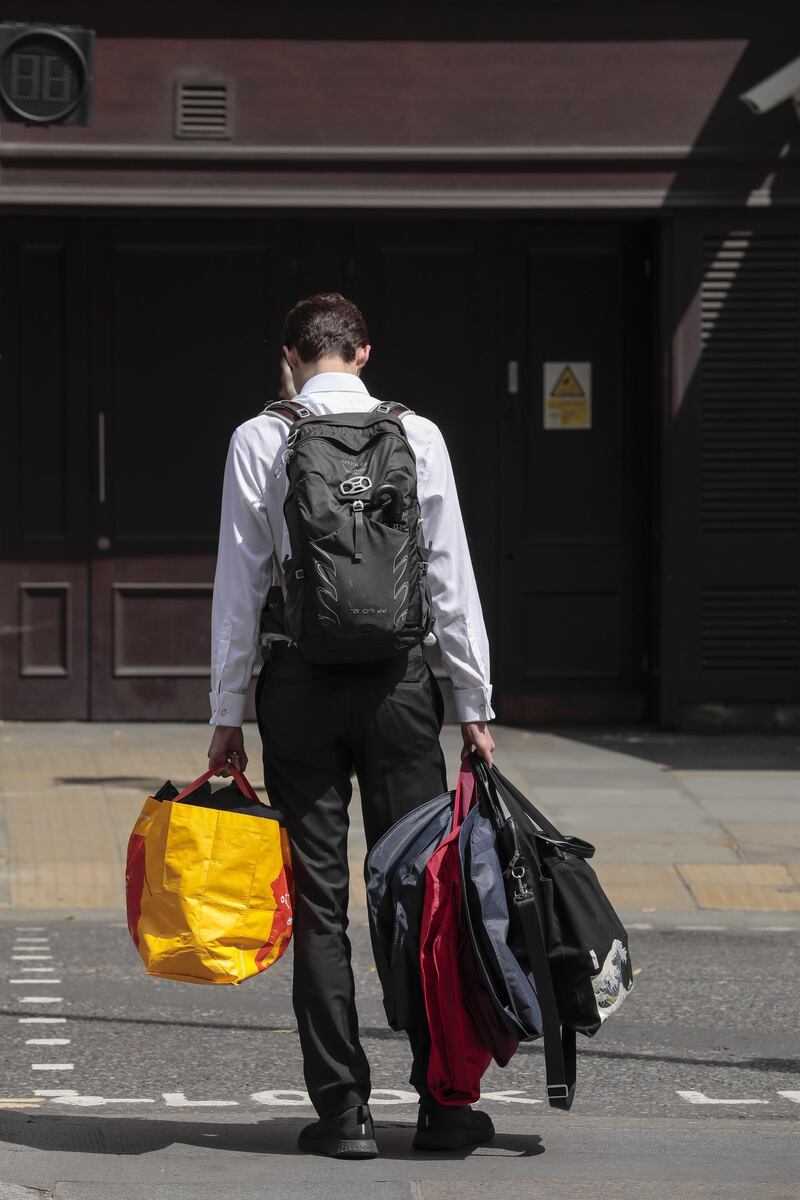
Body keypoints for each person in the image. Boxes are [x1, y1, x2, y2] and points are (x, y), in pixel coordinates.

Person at [207, 293, 497, 1158]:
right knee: (417, 895)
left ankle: (342, 1113)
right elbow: (450, 576)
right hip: (401, 688)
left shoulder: (261, 438)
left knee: (321, 903)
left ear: (290, 357)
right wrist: (473, 703)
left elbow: (239, 585)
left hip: (298, 685)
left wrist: (227, 712)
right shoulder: (421, 435)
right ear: (364, 353)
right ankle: (444, 1106)